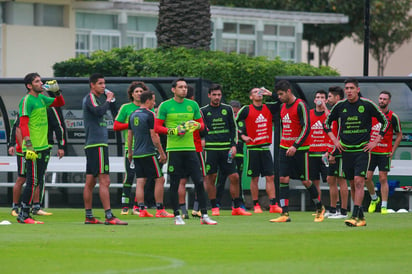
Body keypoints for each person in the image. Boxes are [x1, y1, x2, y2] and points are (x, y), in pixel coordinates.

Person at [324, 78, 388, 227]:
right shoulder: (340, 106)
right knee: (352, 184)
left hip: (362, 150)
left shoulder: (367, 105)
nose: (349, 91)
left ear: (357, 90)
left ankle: (354, 216)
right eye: (346, 88)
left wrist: (375, 141)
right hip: (346, 151)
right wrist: (334, 140)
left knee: (359, 181)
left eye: (352, 88)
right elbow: (326, 123)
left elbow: (384, 121)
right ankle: (361, 218)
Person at [155, 77, 217, 225]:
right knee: (175, 183)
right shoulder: (165, 106)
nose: (184, 89)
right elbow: (157, 128)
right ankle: (177, 216)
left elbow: (202, 125)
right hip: (174, 150)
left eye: (185, 87)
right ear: (173, 89)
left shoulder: (193, 105)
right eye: (181, 87)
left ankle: (204, 215)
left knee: (199, 181)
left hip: (191, 149)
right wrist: (174, 131)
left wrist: (194, 125)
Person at [271, 80, 325, 223]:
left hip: (300, 150)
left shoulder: (300, 105)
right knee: (283, 178)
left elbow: (307, 128)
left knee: (306, 180)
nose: (280, 97)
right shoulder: (282, 106)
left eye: (281, 94)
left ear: (289, 91)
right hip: (284, 148)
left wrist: (295, 145)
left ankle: (319, 207)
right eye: (278, 94)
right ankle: (285, 213)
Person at [16, 73, 65, 224]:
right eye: (37, 81)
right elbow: (23, 124)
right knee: (32, 181)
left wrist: (56, 91)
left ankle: (28, 212)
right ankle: (23, 214)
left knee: (37, 181)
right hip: (33, 148)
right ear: (29, 86)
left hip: (44, 146)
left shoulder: (42, 98)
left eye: (40, 80)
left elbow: (60, 103)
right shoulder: (26, 100)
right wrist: (28, 145)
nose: (41, 83)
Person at [82, 73, 127, 225]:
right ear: (92, 85)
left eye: (104, 83)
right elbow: (99, 112)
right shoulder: (90, 99)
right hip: (97, 145)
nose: (103, 86)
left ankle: (89, 216)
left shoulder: (98, 100)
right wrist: (108, 100)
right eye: (100, 83)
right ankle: (109, 216)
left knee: (90, 181)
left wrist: (110, 101)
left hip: (95, 145)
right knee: (104, 180)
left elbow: (112, 113)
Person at [200, 84, 251, 216]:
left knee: (234, 176)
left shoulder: (227, 109)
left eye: (219, 95)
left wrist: (234, 145)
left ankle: (237, 206)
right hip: (211, 149)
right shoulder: (203, 111)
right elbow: (200, 128)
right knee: (211, 177)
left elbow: (234, 128)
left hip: (226, 149)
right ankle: (214, 206)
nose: (217, 97)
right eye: (214, 95)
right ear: (209, 95)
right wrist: (202, 139)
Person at [236, 87, 282, 214]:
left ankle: (273, 205)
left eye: (260, 92)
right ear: (251, 97)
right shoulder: (246, 109)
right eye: (255, 92)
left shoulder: (268, 107)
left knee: (270, 176)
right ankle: (256, 205)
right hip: (252, 149)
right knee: (254, 178)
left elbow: (280, 101)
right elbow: (233, 123)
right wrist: (242, 135)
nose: (259, 94)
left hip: (265, 148)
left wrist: (270, 93)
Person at [127, 90, 173, 218]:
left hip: (137, 154)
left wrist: (130, 153)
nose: (154, 102)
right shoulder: (150, 114)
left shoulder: (132, 114)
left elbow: (130, 136)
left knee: (141, 181)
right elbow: (154, 135)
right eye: (153, 100)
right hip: (148, 153)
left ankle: (141, 210)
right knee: (160, 179)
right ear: (147, 101)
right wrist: (162, 153)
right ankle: (160, 210)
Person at [113, 81, 149, 215]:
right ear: (132, 94)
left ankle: (136, 206)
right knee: (130, 176)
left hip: (146, 148)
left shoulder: (148, 108)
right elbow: (116, 126)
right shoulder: (126, 108)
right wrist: (132, 124)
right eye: (137, 92)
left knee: (144, 178)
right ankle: (125, 205)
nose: (139, 94)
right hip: (132, 148)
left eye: (141, 92)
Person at [366, 91, 402, 214]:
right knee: (367, 177)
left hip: (384, 152)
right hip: (371, 152)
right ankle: (374, 199)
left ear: (389, 101)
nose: (382, 101)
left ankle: (384, 206)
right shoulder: (372, 115)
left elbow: (399, 135)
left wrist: (392, 150)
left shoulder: (393, 117)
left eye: (384, 99)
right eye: (380, 98)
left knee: (383, 178)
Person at [177, 86, 204, 219]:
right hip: (195, 149)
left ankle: (183, 211)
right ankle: (196, 209)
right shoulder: (195, 108)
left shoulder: (174, 109)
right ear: (192, 98)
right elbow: (203, 128)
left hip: (180, 149)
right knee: (199, 180)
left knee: (181, 181)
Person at [215, 100, 247, 210]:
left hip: (239, 154)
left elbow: (240, 131)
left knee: (237, 179)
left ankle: (238, 203)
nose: (235, 112)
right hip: (225, 153)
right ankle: (216, 203)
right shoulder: (225, 120)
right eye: (233, 110)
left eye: (236, 110)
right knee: (221, 178)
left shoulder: (241, 121)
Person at [325, 86, 349, 219]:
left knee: (341, 180)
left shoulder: (341, 112)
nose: (328, 99)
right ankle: (333, 209)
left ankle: (344, 211)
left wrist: (333, 152)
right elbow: (332, 133)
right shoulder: (334, 111)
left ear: (337, 98)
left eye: (329, 96)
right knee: (330, 179)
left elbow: (340, 134)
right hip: (332, 150)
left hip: (340, 151)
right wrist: (327, 151)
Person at [308, 90, 329, 201]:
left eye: (322, 97)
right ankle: (319, 206)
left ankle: (335, 207)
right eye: (317, 97)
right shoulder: (309, 114)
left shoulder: (328, 113)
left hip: (325, 153)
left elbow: (331, 122)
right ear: (314, 100)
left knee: (331, 181)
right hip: (312, 154)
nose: (319, 99)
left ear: (325, 100)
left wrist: (325, 108)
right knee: (314, 182)